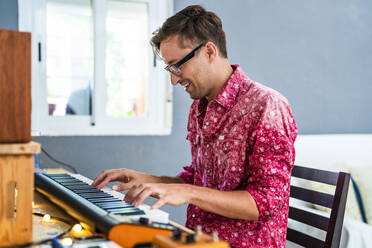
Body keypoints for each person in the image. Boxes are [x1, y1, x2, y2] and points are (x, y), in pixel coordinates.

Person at [92, 5, 297, 248]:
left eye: (177, 65)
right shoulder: (200, 106)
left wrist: (189, 193)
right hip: (197, 241)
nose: (174, 79)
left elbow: (264, 203)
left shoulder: (267, 105)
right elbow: (200, 181)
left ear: (209, 51)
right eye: (170, 68)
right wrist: (146, 180)